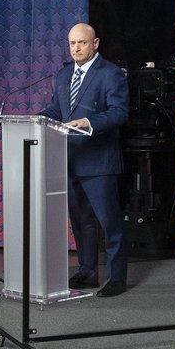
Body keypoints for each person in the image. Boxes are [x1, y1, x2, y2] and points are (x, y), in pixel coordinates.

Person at [38, 23, 130, 297]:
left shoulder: (111, 74)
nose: (76, 48)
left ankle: (117, 278)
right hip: (71, 160)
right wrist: (38, 118)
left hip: (100, 163)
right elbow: (58, 109)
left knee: (109, 223)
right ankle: (88, 272)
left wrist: (89, 122)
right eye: (72, 43)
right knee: (81, 222)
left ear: (95, 43)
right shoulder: (63, 75)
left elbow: (120, 112)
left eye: (81, 43)